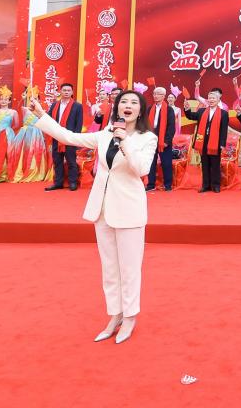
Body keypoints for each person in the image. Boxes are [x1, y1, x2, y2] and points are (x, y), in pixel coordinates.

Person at [30, 90, 156, 344]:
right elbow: (69, 137)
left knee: (129, 269)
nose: (128, 105)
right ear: (117, 109)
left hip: (129, 210)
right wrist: (42, 114)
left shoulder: (147, 138)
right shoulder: (105, 134)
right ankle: (115, 314)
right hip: (102, 209)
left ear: (140, 110)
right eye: (123, 102)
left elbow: (141, 169)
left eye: (133, 103)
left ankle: (130, 316)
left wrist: (125, 141)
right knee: (110, 269)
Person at [183, 87, 229, 193]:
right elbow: (191, 116)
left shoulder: (223, 113)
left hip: (216, 142)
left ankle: (216, 185)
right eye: (210, 98)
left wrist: (222, 143)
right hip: (202, 141)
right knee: (205, 164)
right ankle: (205, 185)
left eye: (213, 98)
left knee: (215, 164)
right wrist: (187, 109)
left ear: (218, 100)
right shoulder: (201, 111)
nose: (211, 100)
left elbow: (224, 130)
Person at [44, 83, 84, 192]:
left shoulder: (77, 106)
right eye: (64, 90)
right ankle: (58, 183)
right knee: (57, 161)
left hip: (69, 137)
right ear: (60, 92)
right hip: (56, 137)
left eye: (68, 90)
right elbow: (49, 120)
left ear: (72, 92)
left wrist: (75, 138)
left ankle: (73, 182)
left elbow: (79, 123)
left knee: (71, 161)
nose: (66, 92)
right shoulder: (54, 105)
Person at [10, 87, 48, 183]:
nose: (33, 100)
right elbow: (18, 108)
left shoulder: (42, 111)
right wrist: (22, 99)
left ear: (39, 100)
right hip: (25, 133)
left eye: (35, 98)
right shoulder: (25, 109)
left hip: (36, 133)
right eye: (31, 98)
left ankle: (34, 172)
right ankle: (23, 170)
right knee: (24, 152)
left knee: (35, 152)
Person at [144, 86, 177, 192]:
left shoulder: (169, 109)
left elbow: (171, 127)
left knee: (166, 163)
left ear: (163, 96)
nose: (155, 96)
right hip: (151, 139)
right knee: (151, 163)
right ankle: (151, 184)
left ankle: (168, 185)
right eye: (154, 93)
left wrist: (167, 141)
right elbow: (145, 124)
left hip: (164, 140)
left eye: (158, 94)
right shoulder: (150, 108)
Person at [0, 86, 20, 183]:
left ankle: (8, 175)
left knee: (9, 154)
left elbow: (17, 124)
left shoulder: (13, 112)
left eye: (6, 99)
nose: (3, 101)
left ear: (9, 101)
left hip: (7, 134)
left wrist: (8, 130)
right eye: (1, 99)